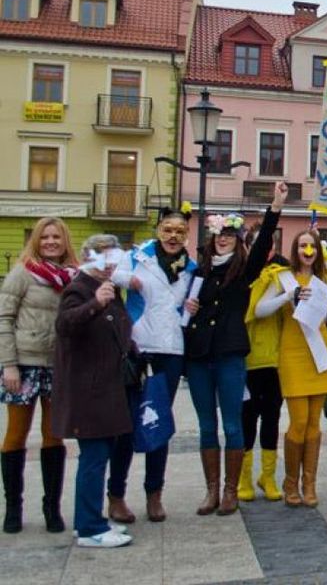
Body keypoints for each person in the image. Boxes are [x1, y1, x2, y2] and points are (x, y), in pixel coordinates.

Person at [183, 182, 286, 515]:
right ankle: (211, 490)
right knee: (206, 426)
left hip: (229, 356)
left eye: (229, 233)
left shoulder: (243, 271)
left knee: (232, 424)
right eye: (218, 234)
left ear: (237, 239)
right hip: (199, 357)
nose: (223, 238)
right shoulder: (200, 271)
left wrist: (275, 206)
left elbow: (263, 244)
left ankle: (231, 489)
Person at [105, 205, 196, 524]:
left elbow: (187, 304)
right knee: (127, 424)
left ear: (187, 235)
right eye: (168, 230)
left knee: (158, 422)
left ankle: (154, 493)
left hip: (171, 350)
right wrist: (128, 280)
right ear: (158, 230)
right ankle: (116, 495)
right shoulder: (137, 255)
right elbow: (106, 273)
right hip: (138, 348)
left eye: (180, 231)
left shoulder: (190, 267)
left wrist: (190, 307)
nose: (173, 237)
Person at [252, 228, 327, 508]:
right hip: (293, 353)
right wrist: (288, 296)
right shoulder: (282, 278)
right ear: (295, 249)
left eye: (313, 246)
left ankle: (309, 484)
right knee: (298, 423)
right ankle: (290, 482)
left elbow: (326, 317)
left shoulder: (322, 280)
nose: (308, 251)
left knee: (314, 426)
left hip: (319, 354)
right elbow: (260, 309)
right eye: (303, 246)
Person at [53, 235, 135, 548]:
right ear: (90, 258)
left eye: (113, 258)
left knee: (99, 455)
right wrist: (95, 304)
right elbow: (65, 325)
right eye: (103, 258)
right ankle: (89, 528)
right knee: (94, 457)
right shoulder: (80, 288)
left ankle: (91, 520)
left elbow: (117, 330)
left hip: (106, 387)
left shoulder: (110, 289)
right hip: (88, 389)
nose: (110, 264)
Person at [1, 217, 77, 534]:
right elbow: (4, 318)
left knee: (53, 436)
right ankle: (14, 508)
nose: (50, 242)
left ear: (64, 241)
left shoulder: (73, 275)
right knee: (16, 435)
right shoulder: (23, 272)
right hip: (24, 363)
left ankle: (52, 508)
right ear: (36, 240)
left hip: (57, 365)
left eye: (55, 237)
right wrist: (9, 364)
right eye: (44, 237)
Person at [237, 224, 290, 504]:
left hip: (274, 359)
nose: (266, 249)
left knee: (271, 419)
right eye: (258, 244)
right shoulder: (242, 274)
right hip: (246, 359)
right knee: (247, 420)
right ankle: (243, 478)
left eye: (270, 244)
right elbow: (254, 311)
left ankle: (267, 476)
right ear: (247, 246)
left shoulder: (283, 274)